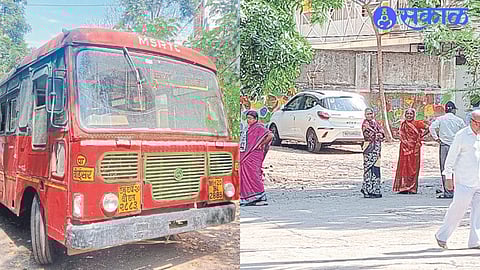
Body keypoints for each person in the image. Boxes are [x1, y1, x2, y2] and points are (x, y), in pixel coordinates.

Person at [435, 110, 480, 249]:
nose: (479, 126)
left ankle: (475, 241)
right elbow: (451, 157)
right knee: (458, 209)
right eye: (477, 123)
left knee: (479, 212)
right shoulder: (461, 136)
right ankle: (442, 236)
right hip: (464, 181)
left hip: (479, 180)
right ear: (471, 121)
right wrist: (448, 176)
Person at [429, 101, 466, 199]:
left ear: (445, 110)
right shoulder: (459, 120)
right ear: (453, 110)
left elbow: (431, 128)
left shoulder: (440, 119)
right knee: (457, 168)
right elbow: (465, 132)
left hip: (444, 145)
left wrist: (436, 138)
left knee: (445, 168)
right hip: (456, 146)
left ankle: (448, 191)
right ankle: (457, 190)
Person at [240, 110, 273, 206]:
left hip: (255, 155)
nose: (248, 120)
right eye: (247, 119)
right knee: (246, 175)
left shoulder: (259, 127)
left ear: (256, 119)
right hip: (247, 155)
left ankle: (260, 195)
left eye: (250, 118)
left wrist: (261, 144)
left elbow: (271, 135)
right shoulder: (249, 128)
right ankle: (249, 197)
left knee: (254, 175)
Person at [393, 108, 428, 194]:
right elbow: (400, 135)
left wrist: (420, 136)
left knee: (414, 168)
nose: (409, 115)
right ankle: (403, 187)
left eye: (411, 114)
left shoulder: (417, 123)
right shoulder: (403, 124)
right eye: (407, 114)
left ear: (414, 115)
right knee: (403, 166)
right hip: (404, 148)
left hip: (415, 149)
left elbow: (428, 128)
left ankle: (412, 188)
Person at [360, 108, 385, 198]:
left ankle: (376, 189)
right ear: (365, 115)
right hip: (368, 148)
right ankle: (367, 189)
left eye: (371, 113)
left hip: (377, 149)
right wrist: (376, 135)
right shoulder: (365, 124)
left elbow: (382, 133)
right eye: (368, 114)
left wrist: (379, 135)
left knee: (376, 169)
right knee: (368, 169)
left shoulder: (376, 123)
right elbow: (368, 135)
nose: (370, 115)